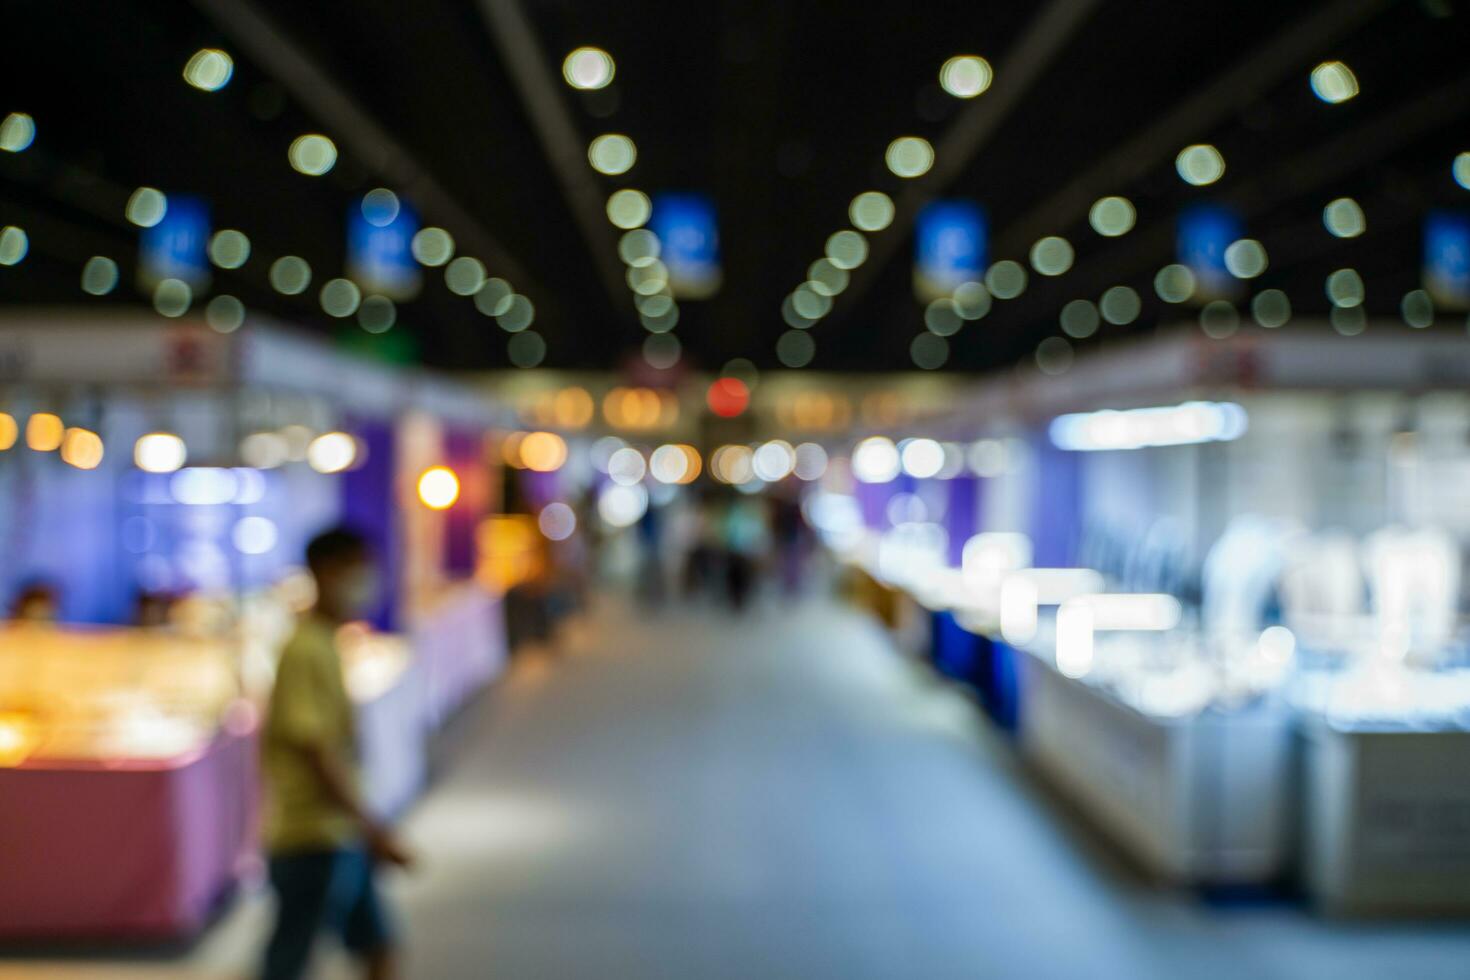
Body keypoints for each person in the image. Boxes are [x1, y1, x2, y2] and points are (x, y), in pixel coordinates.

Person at [259, 528, 412, 980]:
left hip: (339, 831)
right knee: (288, 962)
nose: (366, 580)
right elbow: (316, 752)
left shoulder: (327, 641)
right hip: (313, 835)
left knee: (379, 948)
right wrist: (371, 827)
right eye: (355, 568)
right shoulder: (304, 649)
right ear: (326, 573)